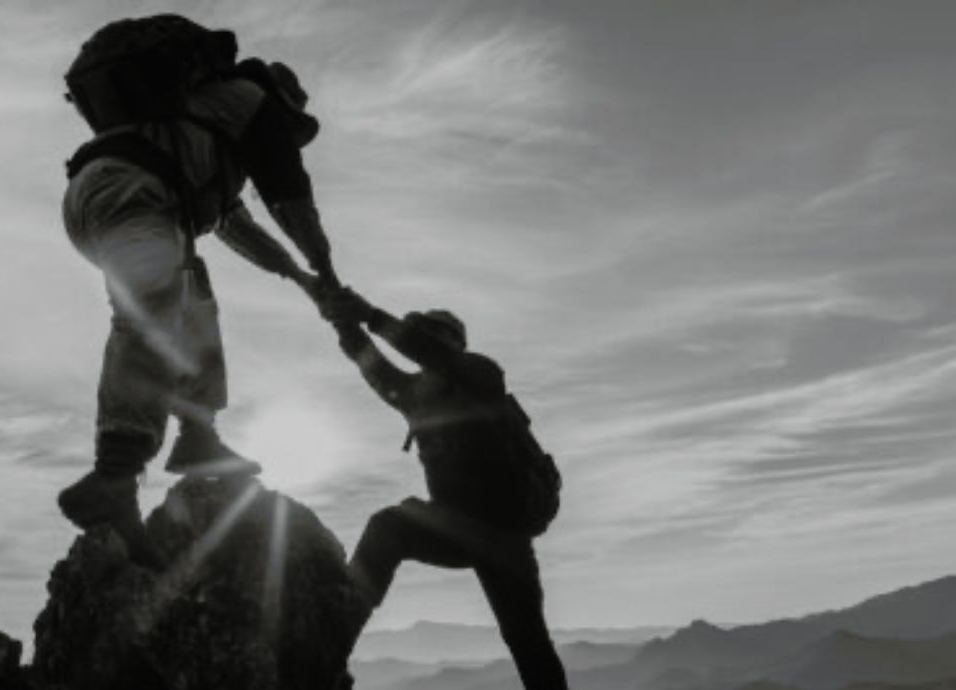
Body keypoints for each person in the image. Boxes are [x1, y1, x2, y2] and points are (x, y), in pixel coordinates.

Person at [55, 14, 338, 568]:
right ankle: (114, 474)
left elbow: (235, 226)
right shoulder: (252, 106)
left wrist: (301, 281)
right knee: (150, 315)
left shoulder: (206, 127)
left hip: (113, 198)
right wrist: (326, 272)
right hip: (129, 195)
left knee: (194, 300)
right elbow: (290, 199)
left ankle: (198, 433)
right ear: (285, 104)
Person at [322, 290, 570, 690]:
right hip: (461, 530)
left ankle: (335, 626)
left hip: (504, 536)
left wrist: (370, 315)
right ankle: (335, 631)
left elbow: (436, 356)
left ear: (453, 344)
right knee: (390, 526)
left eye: (431, 337)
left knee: (529, 644)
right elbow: (369, 362)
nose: (422, 348)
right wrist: (341, 320)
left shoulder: (483, 377)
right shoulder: (415, 396)